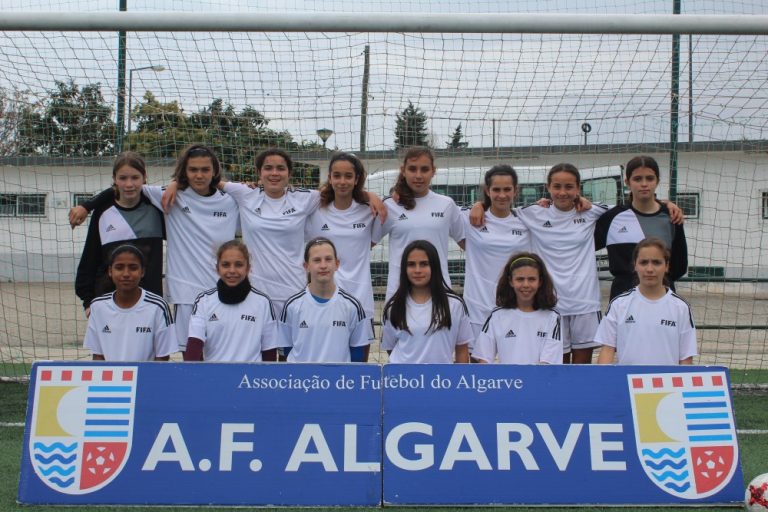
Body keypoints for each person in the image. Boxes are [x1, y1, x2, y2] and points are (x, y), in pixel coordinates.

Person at [72, 145, 240, 356]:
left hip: (221, 290)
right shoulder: (170, 198)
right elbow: (125, 189)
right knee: (189, 354)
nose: (199, 175)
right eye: (193, 170)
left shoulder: (231, 202)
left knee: (222, 352)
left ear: (214, 171)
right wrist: (87, 206)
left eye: (205, 170)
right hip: (184, 293)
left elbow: (254, 200)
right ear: (184, 173)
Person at [218, 148, 385, 317]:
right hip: (256, 290)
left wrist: (369, 195)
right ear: (259, 172)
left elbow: (341, 191)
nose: (274, 173)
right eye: (268, 168)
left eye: (281, 168)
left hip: (294, 290)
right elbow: (214, 181)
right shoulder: (244, 193)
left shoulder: (306, 198)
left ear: (289, 173)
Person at [305, 153, 382, 361]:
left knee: (357, 367)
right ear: (329, 178)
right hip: (323, 297)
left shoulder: (369, 210)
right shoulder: (315, 210)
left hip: (360, 297)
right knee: (325, 359)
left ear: (357, 179)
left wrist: (369, 196)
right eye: (337, 176)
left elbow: (371, 243)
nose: (342, 181)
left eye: (348, 176)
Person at [74, 152, 164, 317]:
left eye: (135, 178)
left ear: (144, 178)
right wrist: (87, 301)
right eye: (123, 178)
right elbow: (90, 257)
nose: (129, 184)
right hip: (108, 303)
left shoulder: (157, 210)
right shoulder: (103, 212)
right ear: (115, 179)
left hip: (149, 303)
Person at [595, 155, 688, 299]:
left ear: (657, 181)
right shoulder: (612, 218)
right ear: (627, 182)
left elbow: (679, 266)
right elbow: (582, 247)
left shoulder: (672, 216)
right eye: (637, 179)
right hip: (623, 297)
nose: (644, 184)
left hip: (661, 296)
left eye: (649, 178)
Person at [378, 146, 465, 302]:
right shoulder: (389, 206)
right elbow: (363, 243)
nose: (418, 175)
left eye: (424, 169)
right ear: (403, 171)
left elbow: (468, 244)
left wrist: (481, 206)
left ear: (433, 171)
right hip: (400, 295)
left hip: (439, 293)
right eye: (412, 169)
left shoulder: (446, 204)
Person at [596, 237, 696, 365]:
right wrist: (605, 384)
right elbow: (607, 350)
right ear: (635, 266)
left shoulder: (681, 308)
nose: (649, 269)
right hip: (628, 383)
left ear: (666, 266)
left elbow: (686, 358)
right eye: (643, 262)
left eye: (656, 262)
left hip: (666, 384)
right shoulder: (619, 305)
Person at [461, 164, 530, 337]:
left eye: (507, 189)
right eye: (496, 189)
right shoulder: (468, 218)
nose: (502, 195)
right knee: (478, 363)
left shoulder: (527, 219)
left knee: (516, 361)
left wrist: (580, 200)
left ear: (516, 190)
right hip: (478, 307)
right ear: (487, 190)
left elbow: (556, 210)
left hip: (515, 306)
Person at [279, 237, 371, 363]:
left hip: (338, 381)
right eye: (317, 260)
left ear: (337, 264)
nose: (323, 265)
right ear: (306, 266)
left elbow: (357, 353)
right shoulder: (292, 306)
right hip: (302, 381)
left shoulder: (352, 306)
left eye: (328, 259)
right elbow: (286, 351)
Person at [186, 240, 280, 362]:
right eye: (225, 265)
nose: (232, 270)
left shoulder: (263, 302)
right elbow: (194, 345)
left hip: (249, 379)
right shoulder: (204, 301)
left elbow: (269, 352)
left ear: (248, 268)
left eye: (239, 264)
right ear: (217, 268)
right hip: (215, 378)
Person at [381, 240, 472, 363]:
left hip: (441, 379)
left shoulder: (455, 305)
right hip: (406, 379)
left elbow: (462, 349)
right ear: (404, 268)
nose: (417, 270)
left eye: (424, 264)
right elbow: (391, 348)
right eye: (411, 264)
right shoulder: (393, 307)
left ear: (434, 266)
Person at [84, 245, 176, 361]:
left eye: (133, 268)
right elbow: (98, 356)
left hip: (145, 378)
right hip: (111, 378)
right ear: (110, 271)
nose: (126, 274)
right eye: (119, 267)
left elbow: (162, 357)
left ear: (142, 272)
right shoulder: (97, 307)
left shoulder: (158, 307)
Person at [473, 252, 561, 364]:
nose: (526, 285)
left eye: (532, 279)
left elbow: (547, 364)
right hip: (508, 381)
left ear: (540, 282)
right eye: (520, 279)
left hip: (539, 381)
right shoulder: (496, 316)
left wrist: (523, 381)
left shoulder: (552, 317)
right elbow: (484, 359)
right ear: (510, 281)